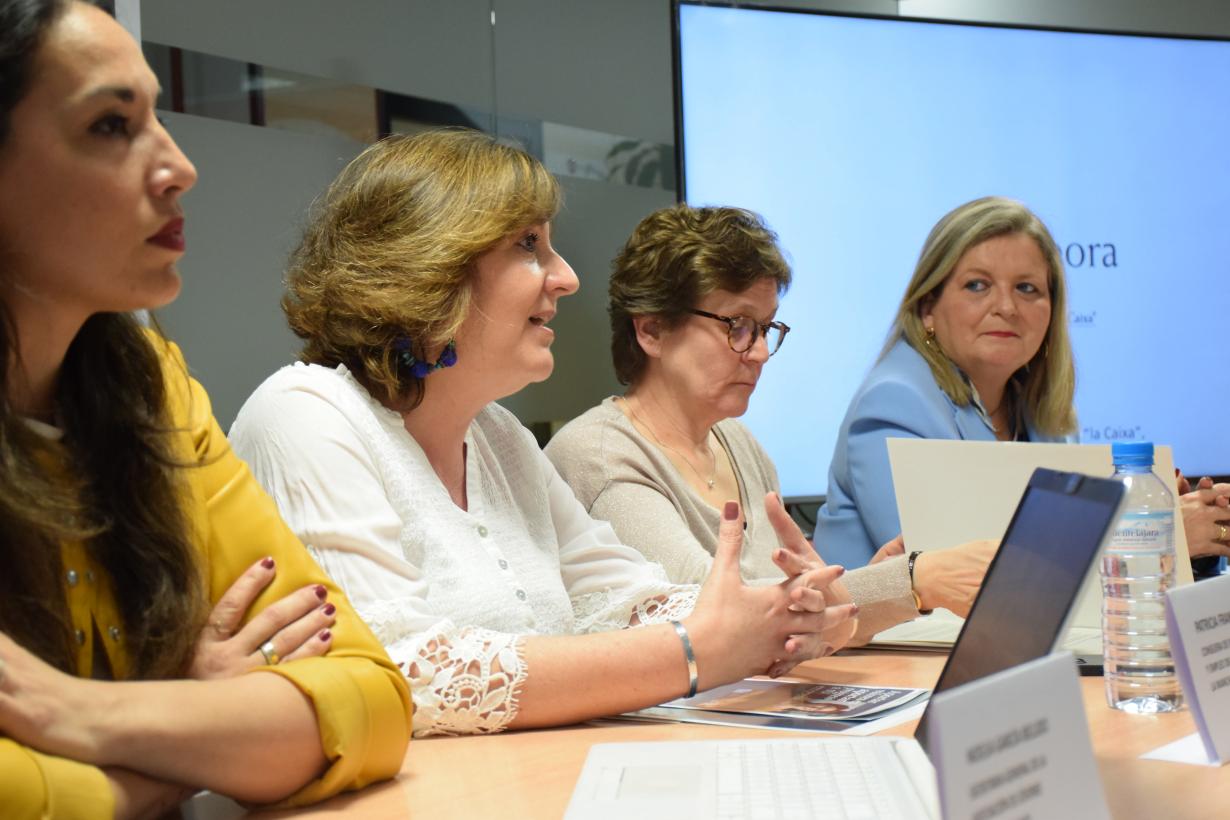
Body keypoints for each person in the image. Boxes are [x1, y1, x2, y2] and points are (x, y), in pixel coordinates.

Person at [228, 129, 858, 738]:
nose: (566, 277)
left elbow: (620, 597)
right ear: (428, 264)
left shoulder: (498, 435)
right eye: (529, 245)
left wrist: (776, 613)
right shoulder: (304, 413)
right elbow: (399, 672)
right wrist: (695, 652)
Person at [0, 2, 412, 817]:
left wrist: (73, 714)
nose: (179, 165)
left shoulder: (150, 385)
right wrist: (199, 735)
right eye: (112, 125)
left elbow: (371, 704)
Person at [545, 204, 995, 641]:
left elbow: (812, 615)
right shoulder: (599, 456)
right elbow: (713, 614)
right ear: (651, 331)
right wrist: (911, 580)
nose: (759, 352)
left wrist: (872, 586)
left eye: (765, 329)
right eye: (737, 326)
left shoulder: (739, 443)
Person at [816, 196, 1230, 570]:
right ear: (928, 306)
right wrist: (1159, 536)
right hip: (885, 652)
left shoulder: (1045, 417)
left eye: (1027, 288)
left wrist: (1186, 531)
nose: (1006, 307)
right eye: (977, 285)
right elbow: (957, 574)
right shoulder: (895, 402)